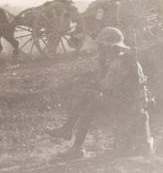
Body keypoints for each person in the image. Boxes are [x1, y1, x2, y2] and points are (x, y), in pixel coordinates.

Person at [45, 27, 154, 159]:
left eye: (102, 46)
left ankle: (69, 133)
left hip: (128, 105)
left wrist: (91, 83)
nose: (100, 49)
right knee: (89, 104)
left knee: (87, 98)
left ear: (109, 46)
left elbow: (105, 86)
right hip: (130, 102)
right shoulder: (123, 59)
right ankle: (72, 140)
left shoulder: (120, 63)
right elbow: (106, 85)